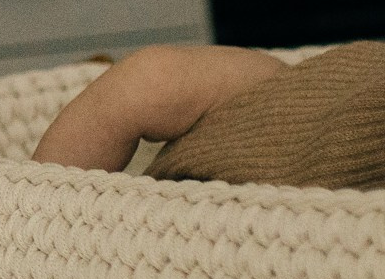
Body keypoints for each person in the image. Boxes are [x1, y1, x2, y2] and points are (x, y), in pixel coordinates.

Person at [33, 41, 384, 189]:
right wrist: (34, 209)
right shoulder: (266, 93)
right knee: (149, 82)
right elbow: (149, 80)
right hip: (314, 96)